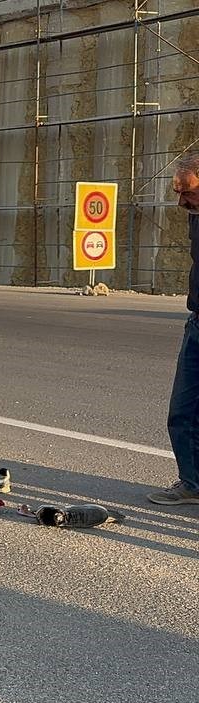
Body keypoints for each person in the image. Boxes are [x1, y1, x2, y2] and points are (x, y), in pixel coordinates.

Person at [150, 152, 199, 506]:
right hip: (197, 323)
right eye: (178, 191)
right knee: (182, 411)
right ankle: (192, 483)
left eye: (189, 192)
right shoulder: (195, 216)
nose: (181, 201)